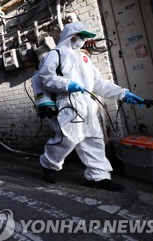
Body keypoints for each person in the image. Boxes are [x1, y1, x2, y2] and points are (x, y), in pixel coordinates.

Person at [37, 22, 143, 192]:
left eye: (85, 38)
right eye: (81, 37)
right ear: (71, 37)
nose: (83, 40)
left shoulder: (84, 58)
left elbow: (99, 83)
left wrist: (122, 93)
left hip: (87, 102)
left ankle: (98, 176)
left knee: (94, 138)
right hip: (68, 101)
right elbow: (44, 77)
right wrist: (67, 84)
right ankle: (48, 164)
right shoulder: (56, 54)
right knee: (68, 138)